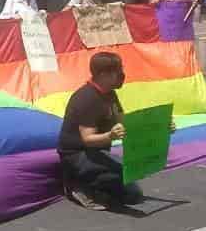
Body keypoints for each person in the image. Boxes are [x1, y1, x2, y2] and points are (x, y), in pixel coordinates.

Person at [58, 52, 146, 210]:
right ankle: (77, 185)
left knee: (133, 195)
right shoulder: (87, 99)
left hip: (97, 152)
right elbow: (87, 139)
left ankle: (96, 185)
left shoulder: (110, 94)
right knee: (121, 186)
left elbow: (123, 121)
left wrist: (161, 127)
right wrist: (110, 136)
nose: (122, 75)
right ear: (103, 75)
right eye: (117, 71)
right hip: (77, 155)